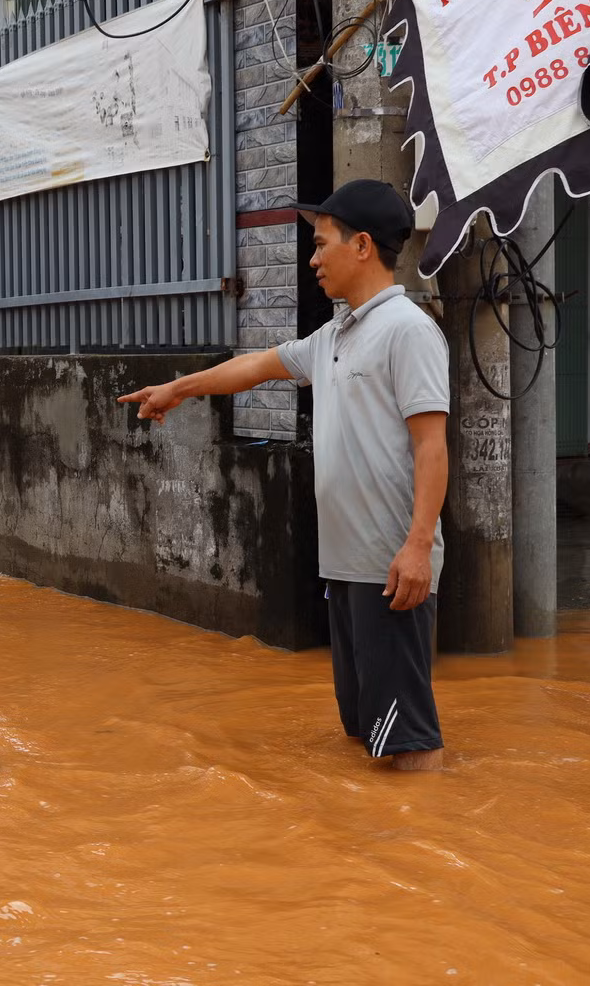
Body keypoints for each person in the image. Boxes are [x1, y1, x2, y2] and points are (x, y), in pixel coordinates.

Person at [117, 179, 450, 771]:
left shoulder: (408, 330)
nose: (314, 259)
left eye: (322, 245)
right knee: (364, 733)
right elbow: (256, 367)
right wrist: (178, 389)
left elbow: (431, 446)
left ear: (363, 246)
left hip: (390, 566)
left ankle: (413, 851)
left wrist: (419, 547)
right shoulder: (337, 335)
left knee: (408, 748)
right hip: (347, 567)